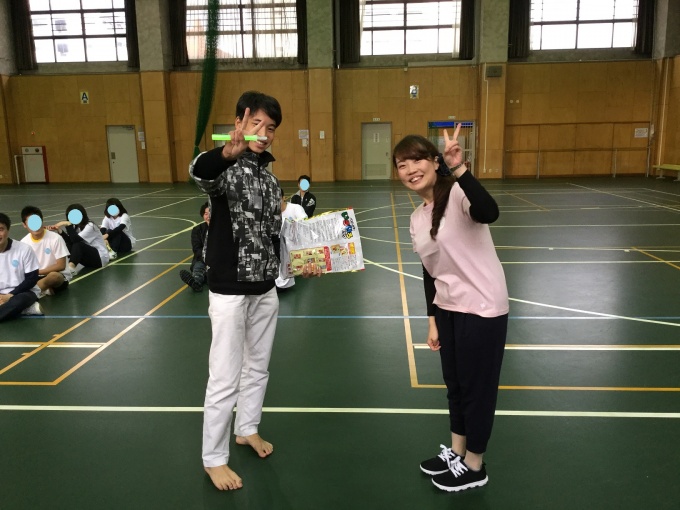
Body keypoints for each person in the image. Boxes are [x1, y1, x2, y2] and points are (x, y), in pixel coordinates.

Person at [190, 90, 322, 492]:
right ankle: (214, 459)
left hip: (265, 288)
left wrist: (300, 264)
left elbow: (272, 236)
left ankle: (246, 428)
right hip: (229, 291)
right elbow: (200, 172)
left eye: (271, 127)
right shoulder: (224, 168)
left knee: (258, 367)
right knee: (224, 377)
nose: (264, 133)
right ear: (240, 123)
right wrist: (224, 154)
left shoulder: (269, 178)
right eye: (256, 123)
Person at [393, 125, 508, 493]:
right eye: (401, 165)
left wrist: (460, 169)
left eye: (416, 160)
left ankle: (475, 464)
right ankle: (457, 452)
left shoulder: (458, 193)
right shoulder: (417, 218)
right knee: (455, 385)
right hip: (447, 308)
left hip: (482, 306)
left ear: (434, 161)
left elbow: (489, 212)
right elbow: (430, 273)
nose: (410, 169)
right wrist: (432, 320)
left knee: (477, 389)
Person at [20, 205, 72, 297]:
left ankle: (32, 293)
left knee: (54, 277)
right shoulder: (23, 243)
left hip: (56, 275)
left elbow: (61, 265)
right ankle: (42, 289)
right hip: (36, 277)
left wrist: (37, 272)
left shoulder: (55, 238)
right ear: (24, 225)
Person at [0, 212, 43, 322]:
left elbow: (32, 279)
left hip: (22, 292)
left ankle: (15, 307)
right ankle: (24, 309)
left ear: (8, 230)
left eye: (1, 229)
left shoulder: (24, 249)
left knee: (20, 300)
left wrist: (11, 295)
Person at [49, 204, 109, 275]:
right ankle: (58, 265)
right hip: (89, 259)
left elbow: (75, 240)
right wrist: (59, 230)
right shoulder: (76, 226)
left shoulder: (90, 226)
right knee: (68, 245)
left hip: (100, 258)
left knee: (78, 244)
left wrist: (67, 225)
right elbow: (70, 241)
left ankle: (71, 267)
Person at [274, 189, 307, 290]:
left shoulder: (295, 208)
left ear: (283, 198)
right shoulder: (271, 213)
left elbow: (305, 224)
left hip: (296, 243)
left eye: (278, 199)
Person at [179, 201, 210, 292]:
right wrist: (207, 258)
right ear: (203, 215)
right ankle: (196, 282)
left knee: (215, 272)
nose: (208, 216)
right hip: (202, 259)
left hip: (218, 260)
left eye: (211, 213)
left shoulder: (222, 229)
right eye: (206, 214)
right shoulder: (197, 230)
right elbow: (196, 249)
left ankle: (208, 277)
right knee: (198, 269)